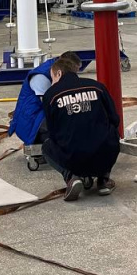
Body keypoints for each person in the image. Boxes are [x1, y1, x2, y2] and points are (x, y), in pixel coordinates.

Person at [41, 55, 121, 201]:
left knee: (46, 146)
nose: (52, 83)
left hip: (72, 156)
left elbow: (52, 131)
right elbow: (115, 119)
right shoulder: (97, 87)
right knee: (111, 135)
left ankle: (70, 177)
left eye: (52, 78)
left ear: (59, 73)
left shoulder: (51, 95)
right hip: (104, 153)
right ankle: (103, 179)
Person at [8, 50, 82, 147]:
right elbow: (52, 107)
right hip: (30, 123)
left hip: (38, 116)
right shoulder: (41, 79)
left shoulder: (56, 68)